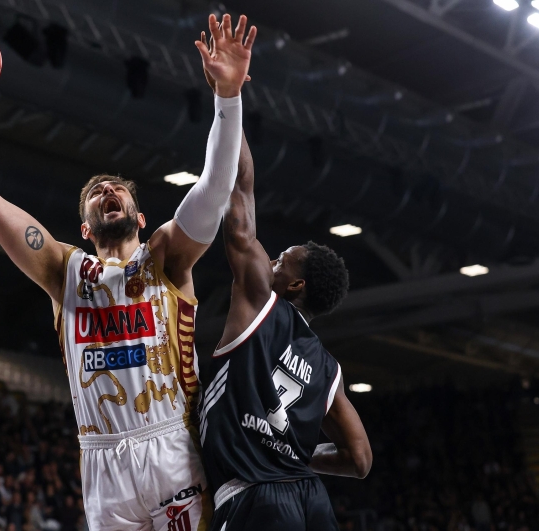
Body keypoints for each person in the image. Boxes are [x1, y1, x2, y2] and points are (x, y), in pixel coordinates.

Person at [0, 12, 257, 531]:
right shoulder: (63, 270)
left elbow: (215, 189)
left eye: (117, 189)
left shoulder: (165, 255)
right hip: (100, 460)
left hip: (170, 443)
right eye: (95, 192)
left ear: (140, 218)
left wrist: (228, 96)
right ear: (83, 227)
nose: (107, 191)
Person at [196, 34, 372, 528]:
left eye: (282, 261)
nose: (270, 260)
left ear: (293, 286)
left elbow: (241, 188)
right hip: (309, 498)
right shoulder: (328, 370)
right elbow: (360, 460)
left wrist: (226, 97)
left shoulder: (258, 302)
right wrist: (301, 461)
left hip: (257, 496)